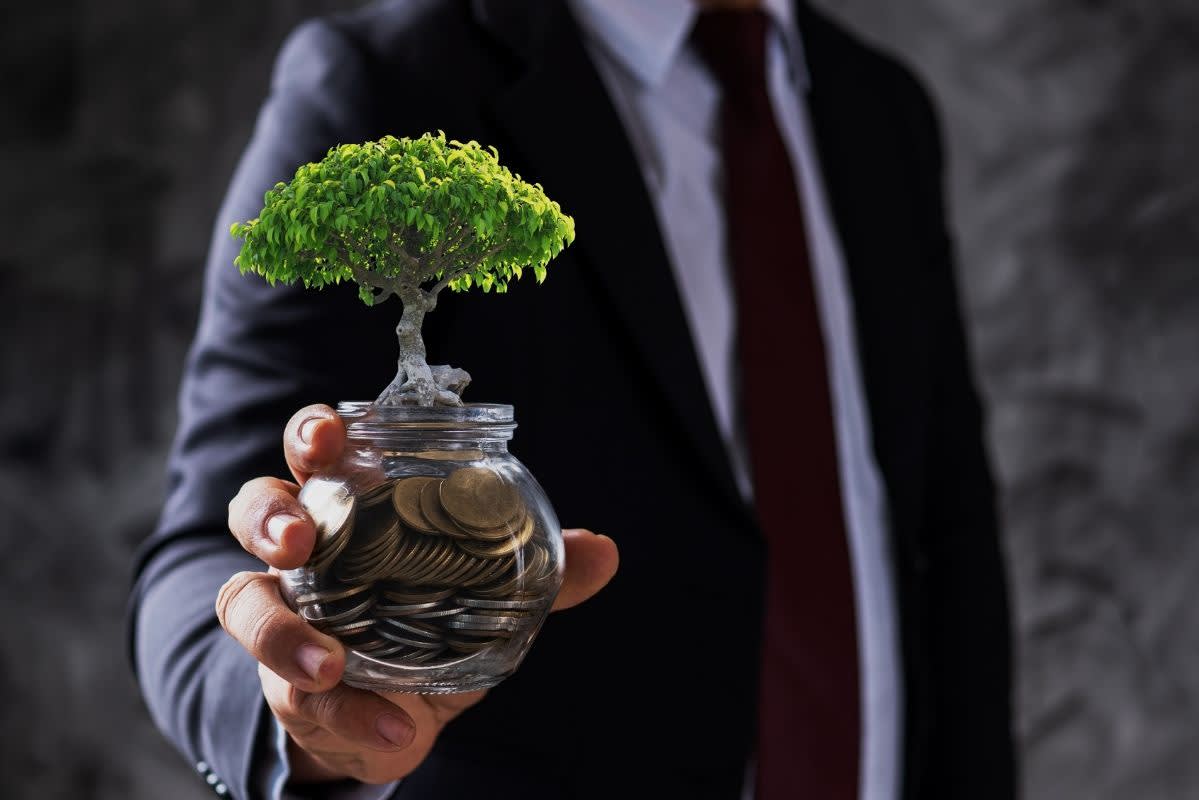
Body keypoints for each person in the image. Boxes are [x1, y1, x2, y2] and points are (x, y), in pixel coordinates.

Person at [128, 0, 1017, 798]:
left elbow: (944, 534)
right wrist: (307, 711)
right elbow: (213, 546)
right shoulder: (387, 81)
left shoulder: (881, 110)